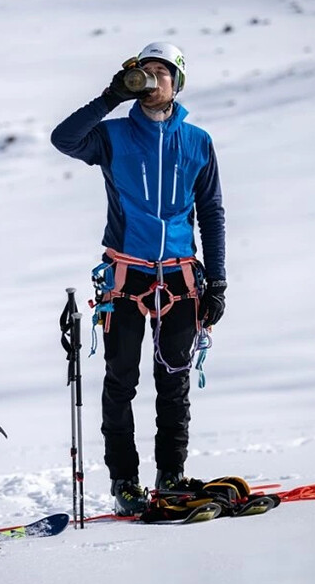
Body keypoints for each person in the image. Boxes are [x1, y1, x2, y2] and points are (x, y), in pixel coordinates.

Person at [50, 42, 227, 515]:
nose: (150, 79)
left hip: (181, 280)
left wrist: (219, 283)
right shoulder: (112, 136)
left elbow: (211, 213)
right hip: (125, 279)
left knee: (174, 382)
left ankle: (171, 475)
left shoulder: (198, 142)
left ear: (177, 82)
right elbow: (63, 139)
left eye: (160, 72)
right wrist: (110, 97)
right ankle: (124, 481)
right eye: (143, 71)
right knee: (120, 380)